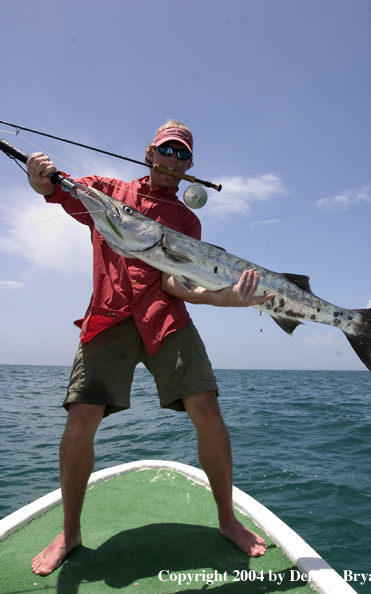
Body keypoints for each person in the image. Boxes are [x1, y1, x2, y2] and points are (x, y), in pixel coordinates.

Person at [26, 121, 274, 576]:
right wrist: (38, 177)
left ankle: (226, 521)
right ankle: (70, 530)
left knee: (208, 411)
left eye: (183, 155)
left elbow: (176, 280)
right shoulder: (106, 190)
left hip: (166, 318)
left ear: (190, 167)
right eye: (167, 150)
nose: (173, 160)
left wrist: (223, 297)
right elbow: (58, 191)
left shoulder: (186, 219)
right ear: (149, 153)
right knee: (80, 418)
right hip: (110, 315)